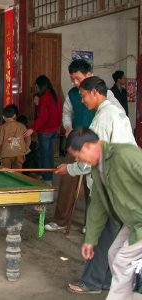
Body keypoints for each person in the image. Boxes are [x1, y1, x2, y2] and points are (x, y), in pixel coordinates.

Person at [55, 76, 136, 295]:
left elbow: (90, 156)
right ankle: (105, 280)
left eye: (83, 96)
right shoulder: (118, 113)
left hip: (116, 188)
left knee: (102, 236)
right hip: (118, 186)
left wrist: (70, 169)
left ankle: (92, 282)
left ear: (95, 93)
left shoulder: (103, 118)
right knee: (111, 240)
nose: (82, 101)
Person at [46, 60, 126, 232]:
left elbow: (119, 114)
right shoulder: (73, 93)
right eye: (72, 79)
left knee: (94, 184)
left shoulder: (107, 98)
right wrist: (68, 126)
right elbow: (67, 112)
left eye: (78, 78)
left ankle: (90, 223)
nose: (75, 83)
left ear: (89, 75)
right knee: (67, 178)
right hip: (77, 143)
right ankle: (60, 220)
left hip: (97, 147)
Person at [66, 127, 142, 300]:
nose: (79, 160)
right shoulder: (98, 167)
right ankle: (131, 293)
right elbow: (98, 205)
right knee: (113, 254)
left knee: (123, 261)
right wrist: (90, 240)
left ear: (87, 147)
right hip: (132, 221)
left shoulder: (124, 155)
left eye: (78, 155)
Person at [24, 75, 62, 185]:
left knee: (45, 156)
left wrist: (32, 129)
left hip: (45, 132)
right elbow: (59, 114)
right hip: (54, 131)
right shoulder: (56, 96)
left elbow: (42, 117)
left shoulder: (45, 97)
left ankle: (47, 180)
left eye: (37, 87)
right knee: (49, 155)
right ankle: (49, 177)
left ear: (41, 86)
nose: (36, 89)